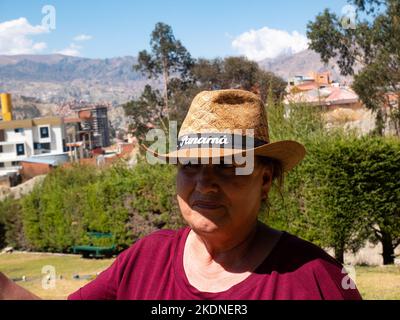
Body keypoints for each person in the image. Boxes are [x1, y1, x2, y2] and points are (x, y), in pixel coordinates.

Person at [0, 89, 362, 300]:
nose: (204, 184)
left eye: (227, 166)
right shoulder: (145, 260)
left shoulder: (314, 281)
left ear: (265, 180)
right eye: (190, 166)